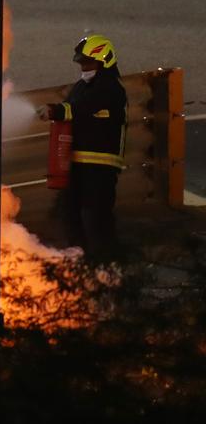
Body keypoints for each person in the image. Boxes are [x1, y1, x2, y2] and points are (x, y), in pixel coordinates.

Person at [36, 34, 128, 261]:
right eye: (82, 63)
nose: (84, 68)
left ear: (104, 60)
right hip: (77, 163)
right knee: (71, 215)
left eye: (88, 63)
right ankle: (81, 265)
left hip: (101, 166)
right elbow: (74, 106)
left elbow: (82, 108)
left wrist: (55, 111)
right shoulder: (81, 87)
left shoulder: (111, 88)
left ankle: (107, 267)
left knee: (95, 218)